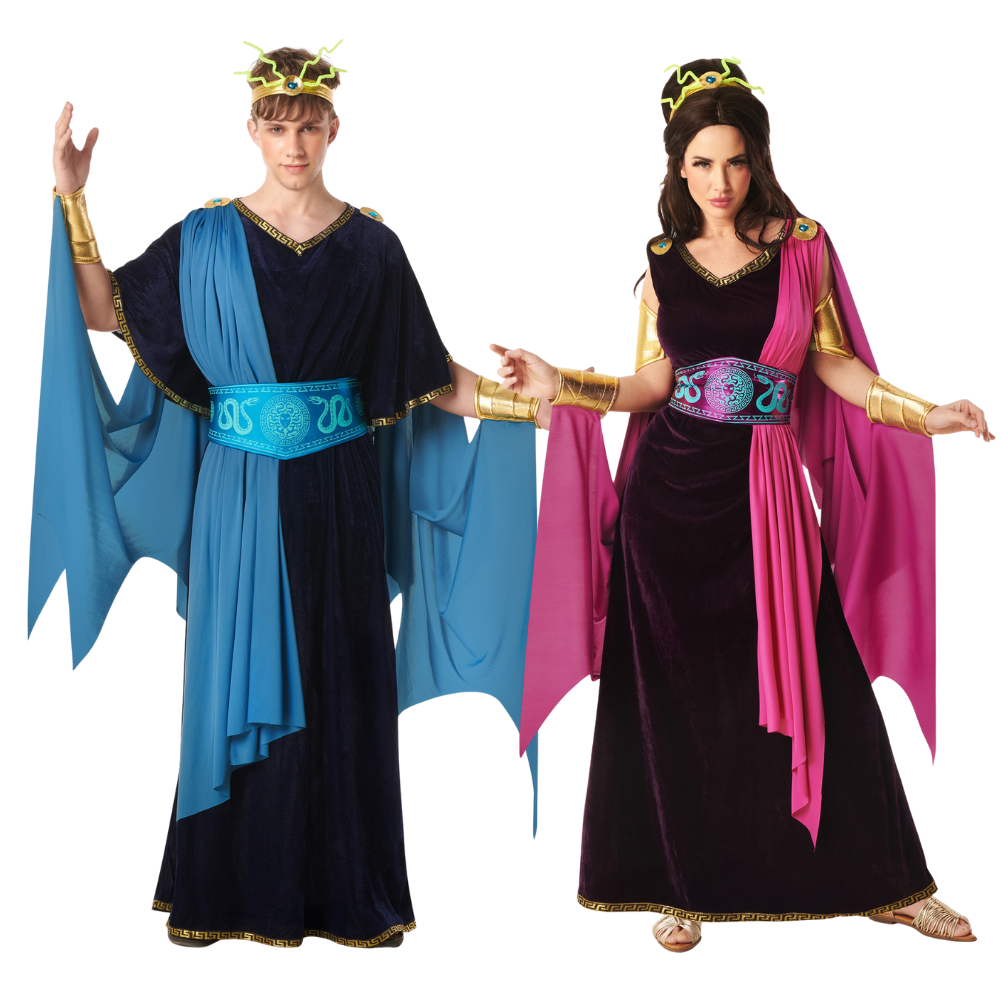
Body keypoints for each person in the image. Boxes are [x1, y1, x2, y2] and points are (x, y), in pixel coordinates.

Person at [34, 43, 545, 949]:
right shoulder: (205, 237)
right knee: (229, 673)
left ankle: (352, 899)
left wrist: (531, 404)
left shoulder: (374, 247)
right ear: (253, 131)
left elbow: (428, 376)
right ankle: (220, 893)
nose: (295, 143)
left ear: (333, 128)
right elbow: (104, 310)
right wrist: (72, 198)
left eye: (309, 126)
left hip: (342, 495)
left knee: (343, 679)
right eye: (278, 127)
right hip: (238, 494)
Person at [499, 57, 987, 952]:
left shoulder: (802, 245)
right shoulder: (662, 262)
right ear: (677, 169)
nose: (719, 182)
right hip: (667, 507)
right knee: (676, 695)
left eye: (733, 161)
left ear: (756, 159)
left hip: (765, 499)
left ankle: (894, 884)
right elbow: (652, 383)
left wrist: (926, 414)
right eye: (701, 164)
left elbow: (834, 365)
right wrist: (558, 381)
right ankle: (678, 885)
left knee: (825, 677)